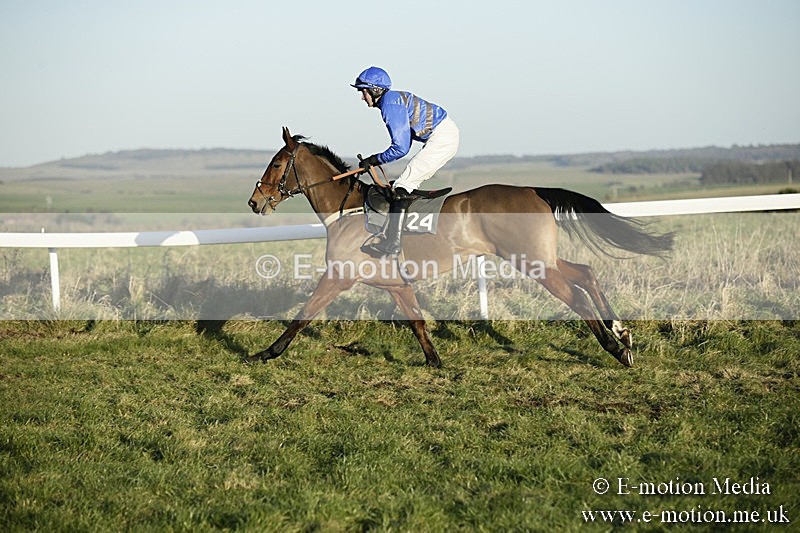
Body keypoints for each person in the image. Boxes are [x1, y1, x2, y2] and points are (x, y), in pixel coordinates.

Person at [352, 66, 459, 256]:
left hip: (442, 137)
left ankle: (392, 243)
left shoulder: (389, 104)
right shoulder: (392, 100)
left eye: (363, 91)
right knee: (404, 183)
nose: (362, 97)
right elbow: (404, 144)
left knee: (403, 184)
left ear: (375, 89)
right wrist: (374, 160)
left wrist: (374, 159)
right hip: (444, 134)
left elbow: (401, 148)